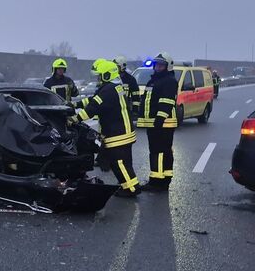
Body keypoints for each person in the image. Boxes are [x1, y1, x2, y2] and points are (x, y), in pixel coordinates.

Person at [73, 60, 140, 198]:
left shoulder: (108, 90)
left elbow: (93, 108)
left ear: (107, 75)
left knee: (119, 163)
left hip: (118, 133)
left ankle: (132, 188)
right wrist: (76, 104)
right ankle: (128, 186)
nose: (98, 78)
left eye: (99, 75)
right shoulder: (113, 88)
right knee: (122, 163)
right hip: (122, 131)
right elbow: (94, 99)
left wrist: (75, 119)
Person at [137, 52, 178, 191]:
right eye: (156, 65)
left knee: (159, 152)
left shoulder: (169, 81)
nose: (158, 67)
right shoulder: (155, 80)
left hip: (163, 123)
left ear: (168, 66)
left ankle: (157, 182)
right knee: (160, 151)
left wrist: (159, 120)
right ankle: (162, 180)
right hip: (155, 123)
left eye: (161, 65)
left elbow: (167, 102)